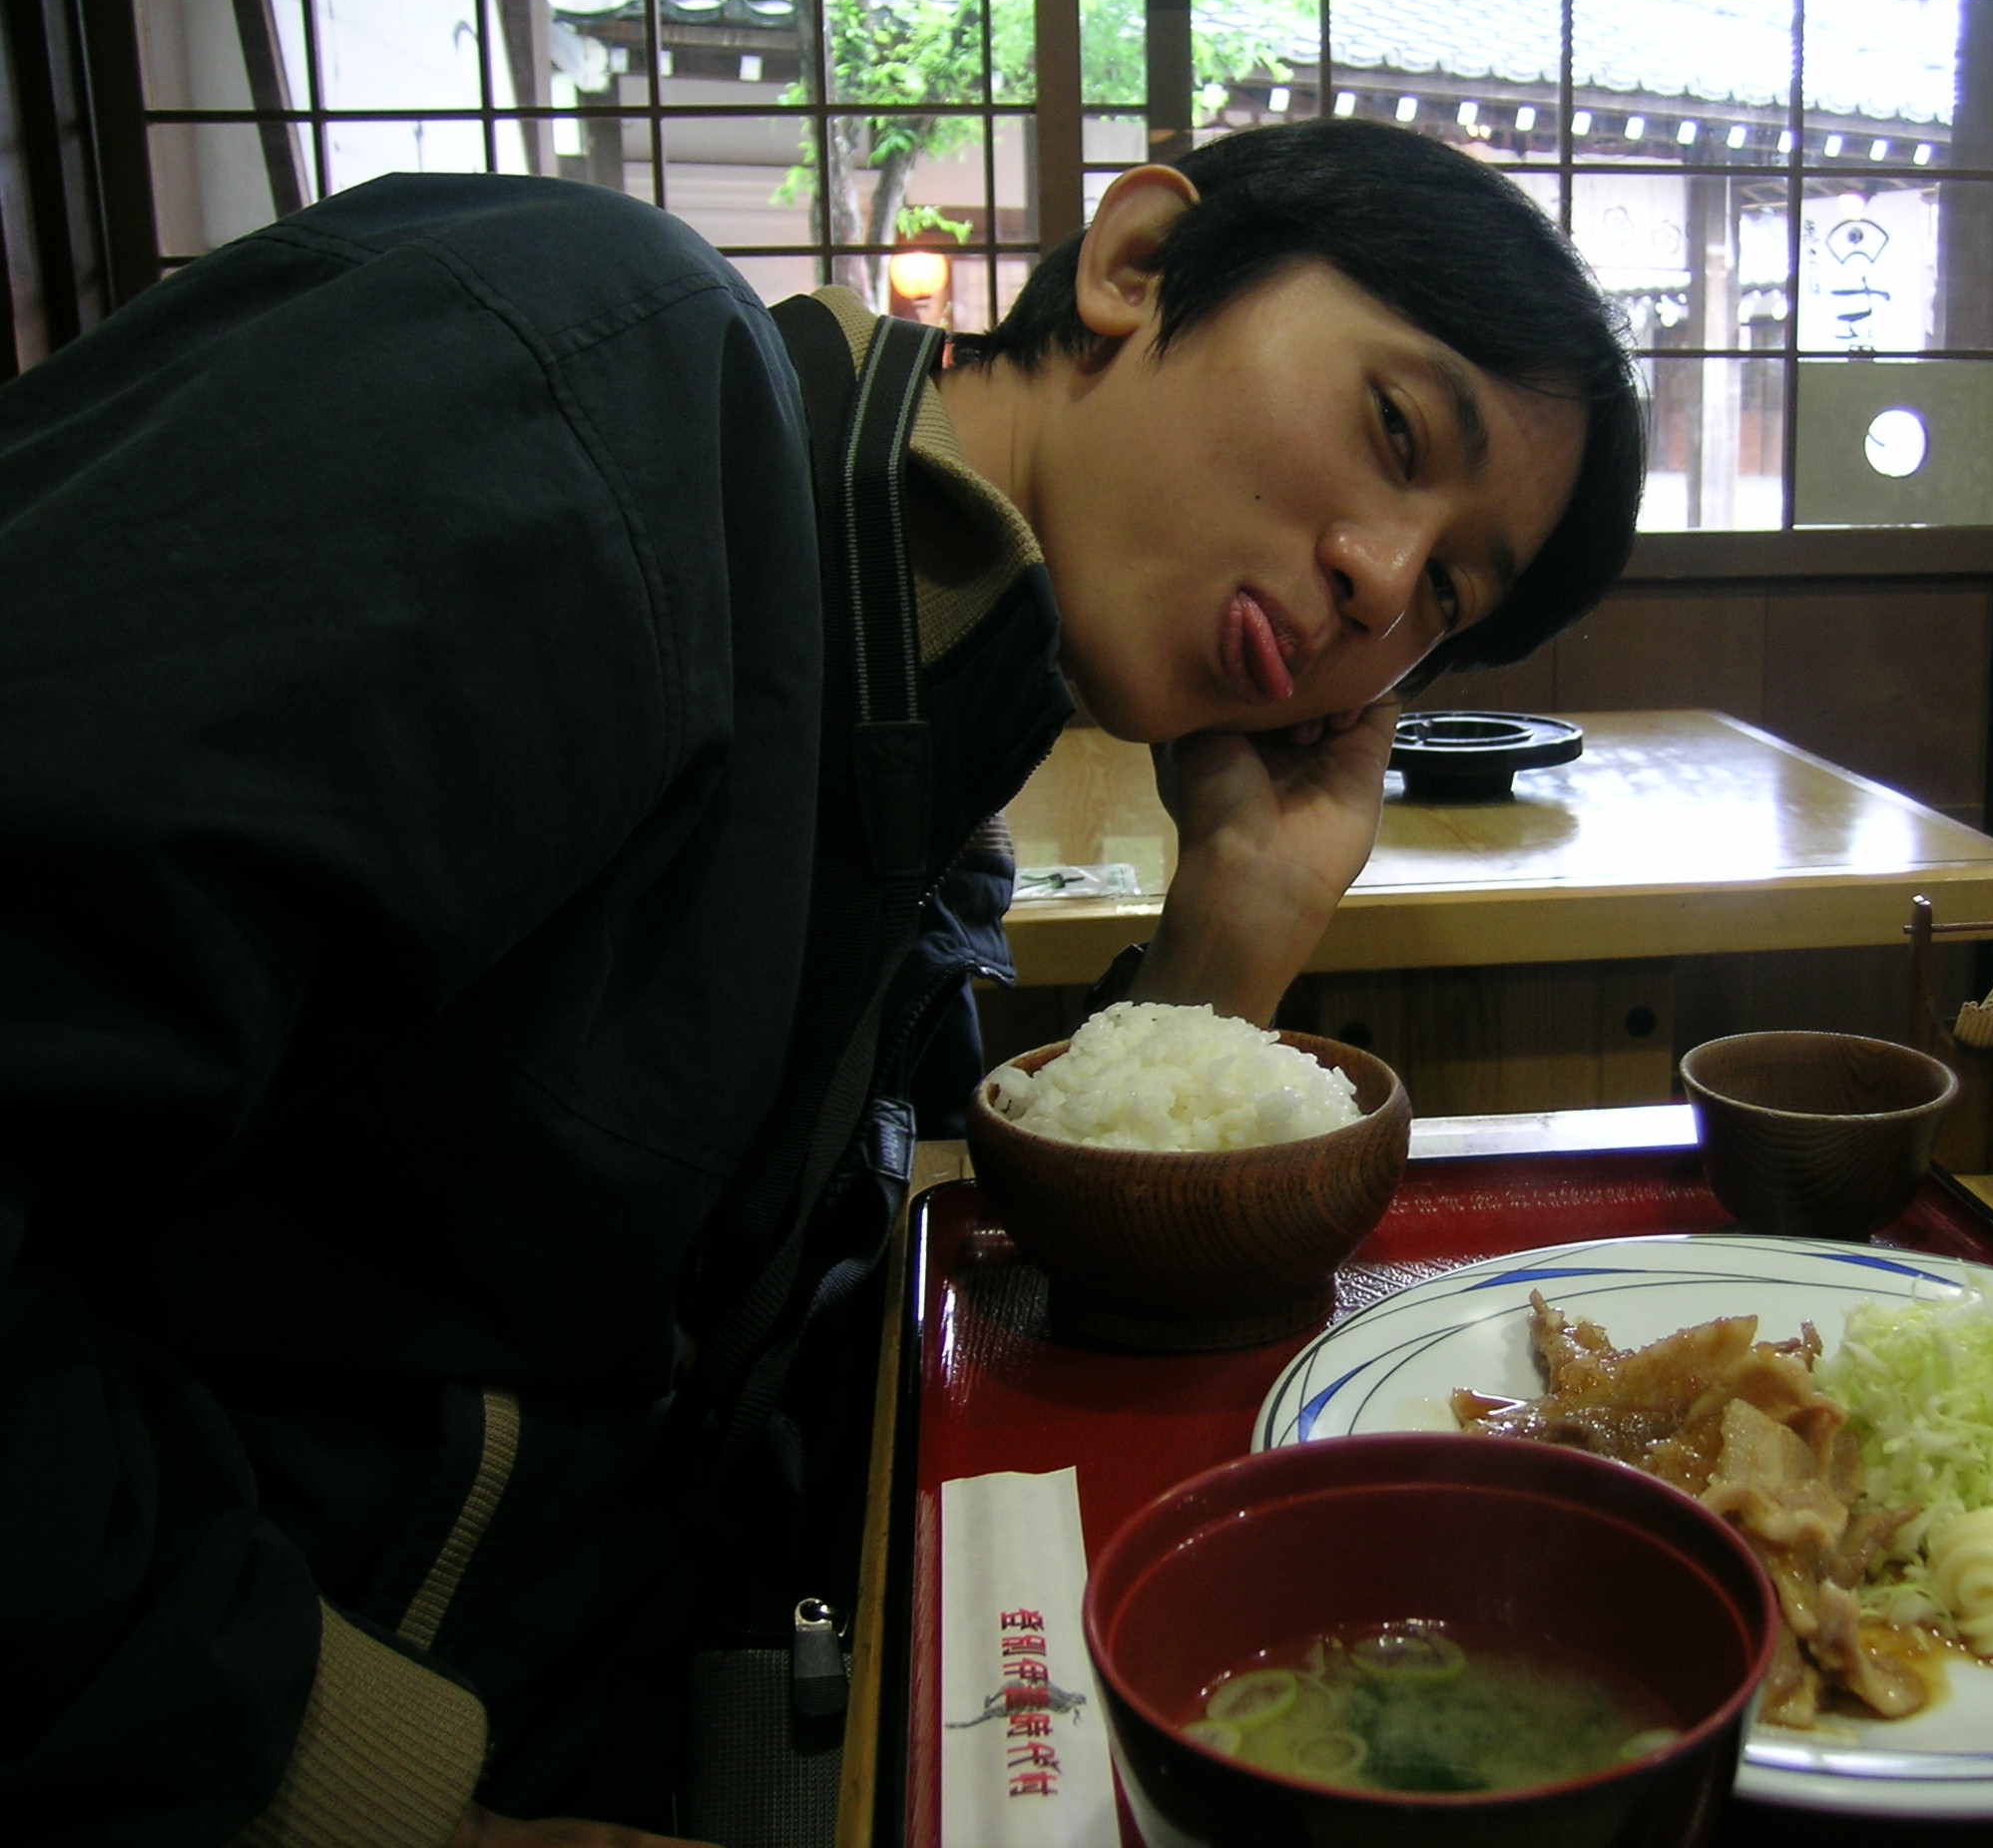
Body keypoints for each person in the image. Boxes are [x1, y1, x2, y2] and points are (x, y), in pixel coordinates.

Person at [0, 118, 1642, 1846]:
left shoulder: (928, 781)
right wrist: (360, 1804)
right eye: (1397, 429)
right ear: (1137, 263)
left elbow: (883, 1376)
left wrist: (1240, 915)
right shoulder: (596, 389)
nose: (1381, 582)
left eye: (1448, 589)